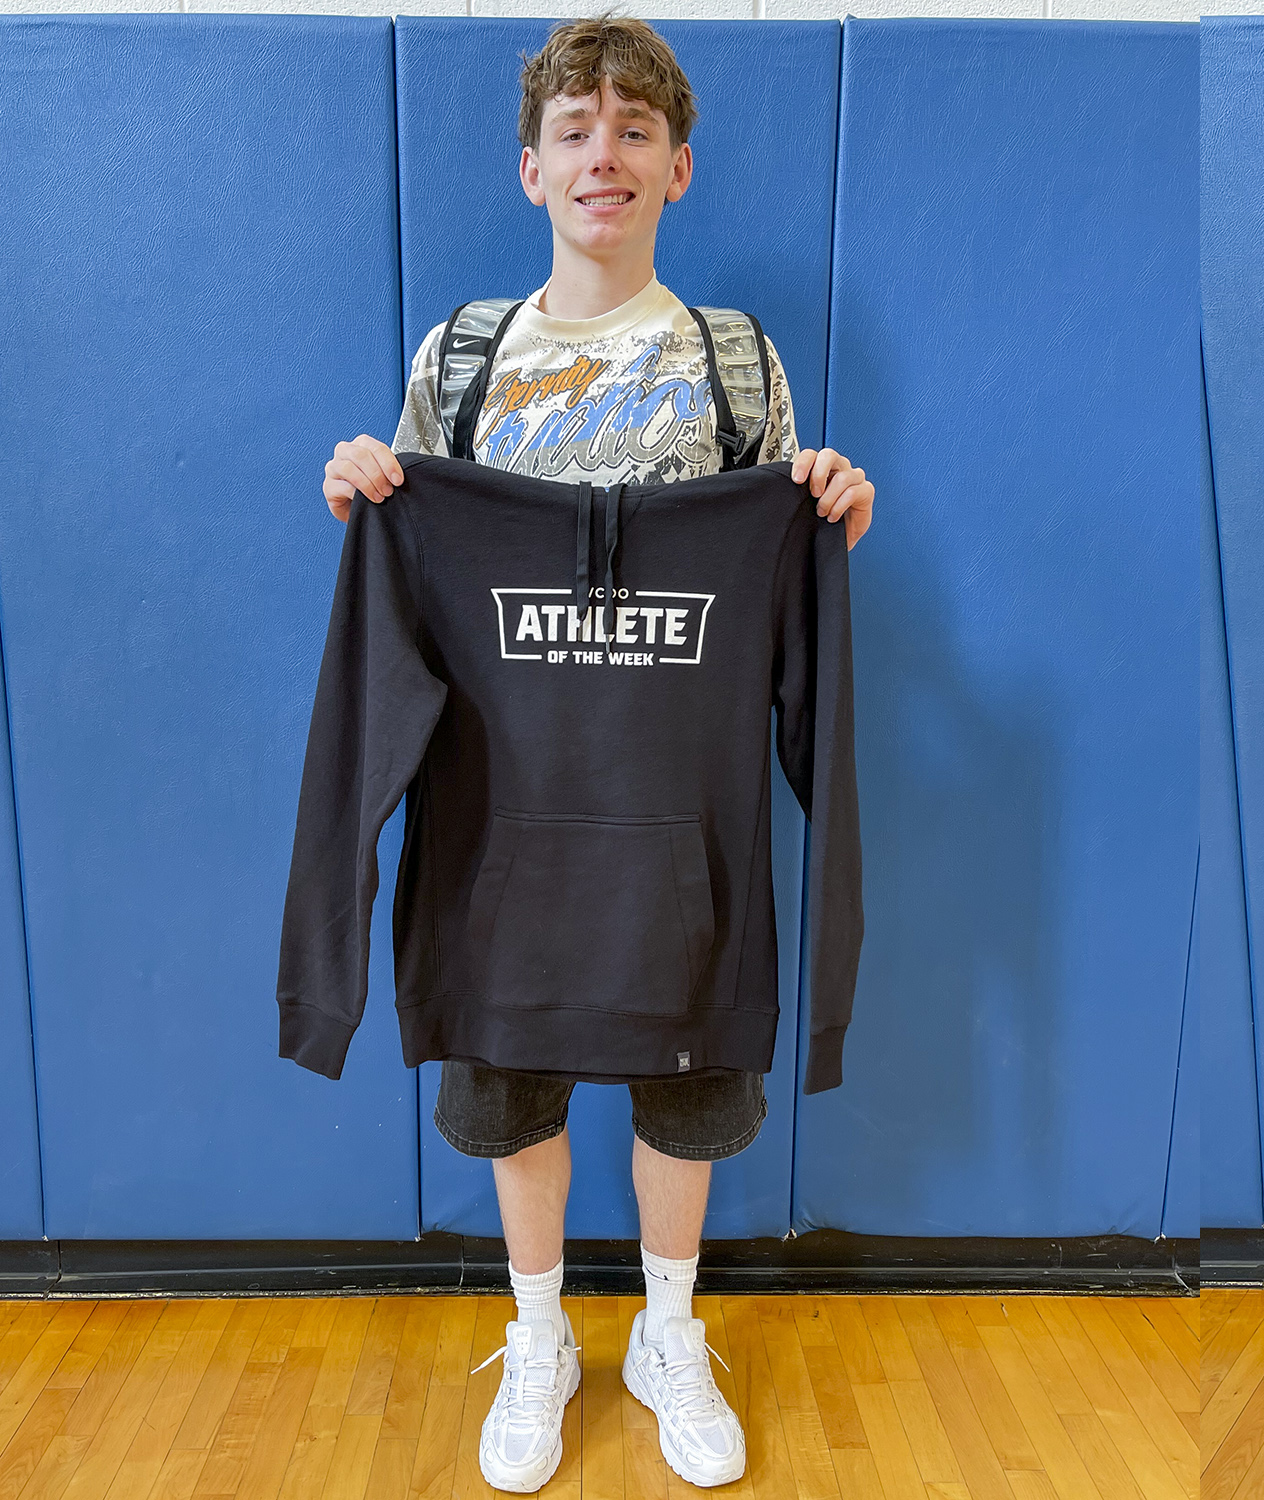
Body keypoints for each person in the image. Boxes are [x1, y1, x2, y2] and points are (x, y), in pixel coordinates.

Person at [319, 14, 874, 1492]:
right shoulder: (461, 359)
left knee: (690, 1082)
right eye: (575, 131)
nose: (603, 157)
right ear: (531, 168)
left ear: (679, 167)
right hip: (504, 811)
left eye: (634, 132)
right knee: (511, 1082)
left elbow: (776, 584)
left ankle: (670, 1333)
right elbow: (404, 571)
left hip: (678, 812)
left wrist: (826, 509)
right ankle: (543, 1332)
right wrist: (365, 496)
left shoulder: (736, 364)